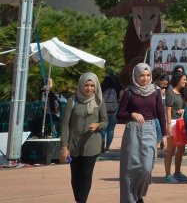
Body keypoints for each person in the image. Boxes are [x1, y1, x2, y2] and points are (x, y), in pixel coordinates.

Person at [117, 63, 167, 203]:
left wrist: (164, 135)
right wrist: (132, 114)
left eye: (147, 75)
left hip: (150, 129)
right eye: (142, 75)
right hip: (132, 131)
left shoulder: (156, 91)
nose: (145, 78)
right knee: (130, 169)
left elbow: (161, 114)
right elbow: (119, 115)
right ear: (136, 76)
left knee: (146, 167)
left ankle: (138, 194)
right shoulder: (129, 92)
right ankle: (130, 199)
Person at [60, 72, 107, 203]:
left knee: (86, 174)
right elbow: (65, 125)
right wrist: (64, 147)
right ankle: (78, 199)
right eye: (86, 85)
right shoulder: (72, 100)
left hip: (92, 145)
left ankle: (81, 201)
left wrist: (98, 125)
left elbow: (105, 121)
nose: (89, 88)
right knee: (75, 175)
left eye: (92, 85)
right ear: (81, 85)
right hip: (73, 146)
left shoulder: (99, 100)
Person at [163, 71, 187, 183]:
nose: (185, 81)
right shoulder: (170, 93)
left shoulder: (182, 92)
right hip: (173, 122)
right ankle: (167, 174)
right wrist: (168, 125)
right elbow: (168, 110)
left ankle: (177, 172)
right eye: (184, 79)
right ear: (178, 80)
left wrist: (183, 109)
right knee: (171, 149)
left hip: (181, 122)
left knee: (181, 148)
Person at [100, 72, 121, 152]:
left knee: (103, 129)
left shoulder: (103, 85)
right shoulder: (117, 85)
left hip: (103, 109)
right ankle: (107, 147)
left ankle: (101, 145)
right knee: (111, 129)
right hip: (114, 109)